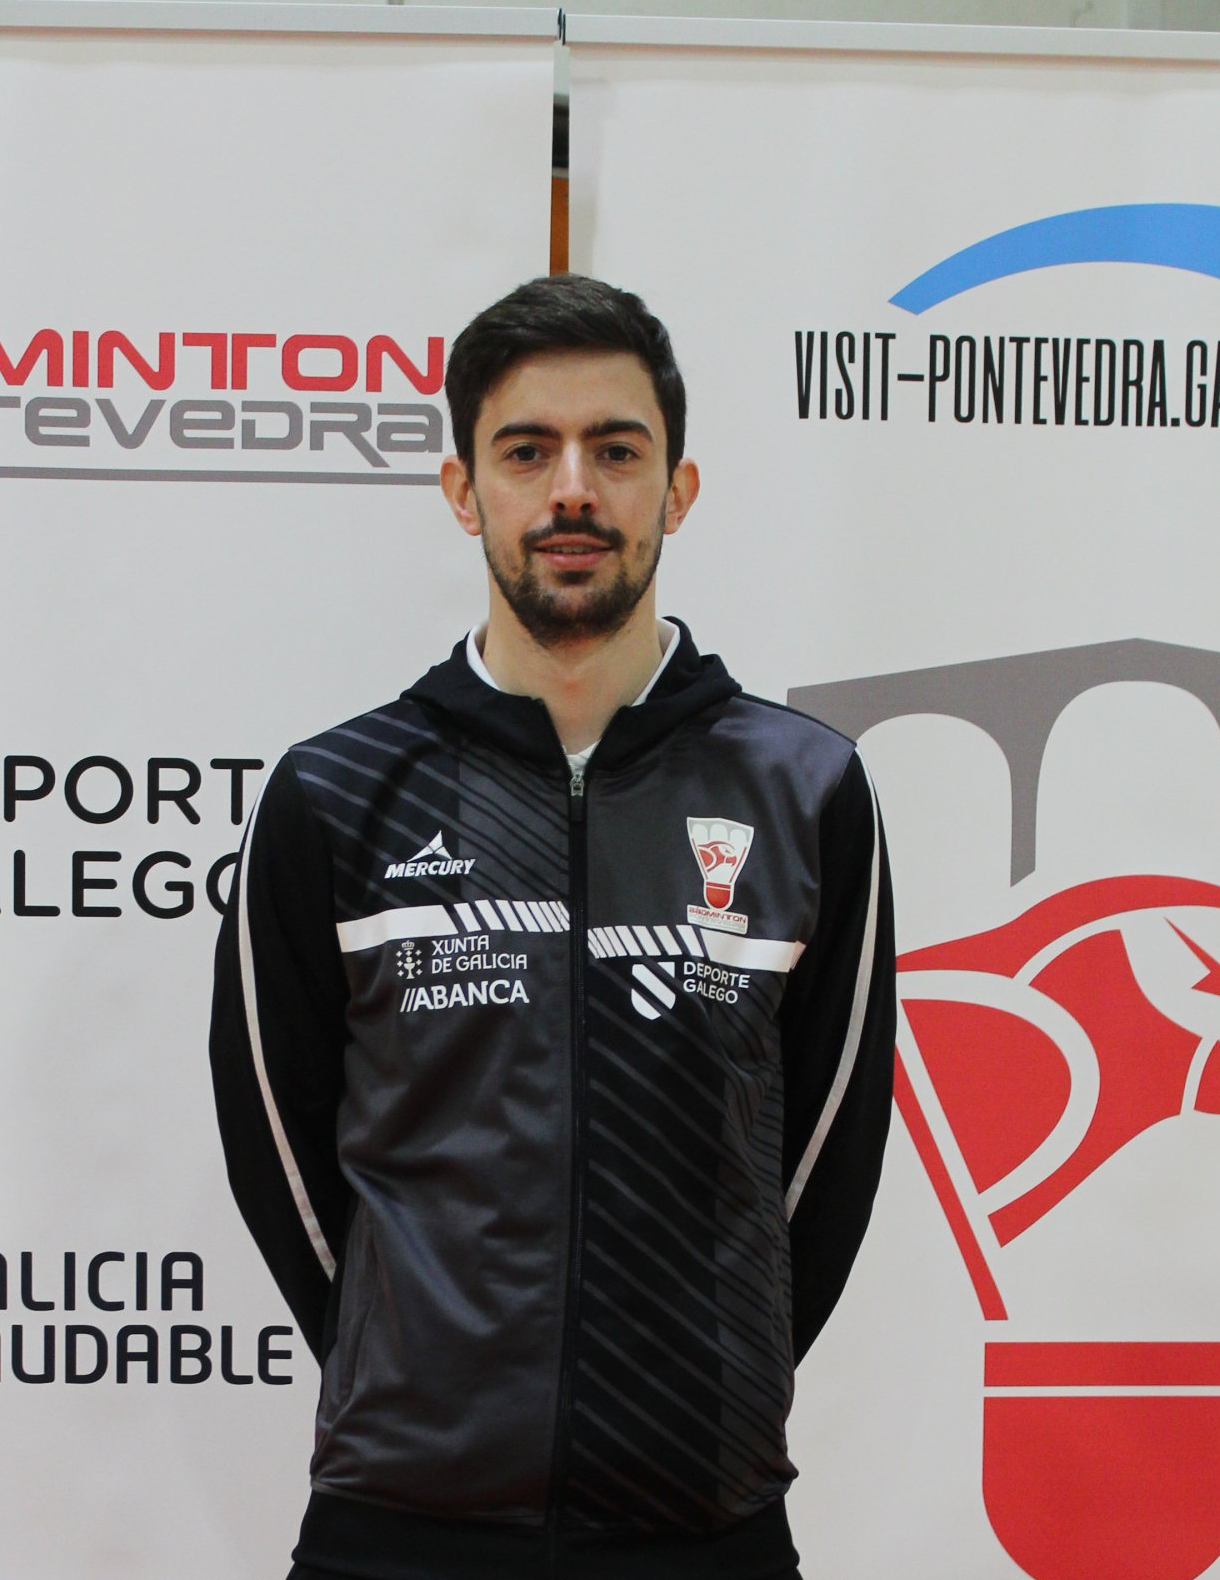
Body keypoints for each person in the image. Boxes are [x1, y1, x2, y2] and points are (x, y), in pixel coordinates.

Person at [209, 273, 896, 1580]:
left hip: (703, 1532)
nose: (572, 489)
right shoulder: (335, 796)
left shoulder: (805, 790)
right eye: (527, 452)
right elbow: (278, 1150)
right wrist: (414, 1371)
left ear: (677, 491)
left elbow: (826, 1157)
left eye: (615, 451)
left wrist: (693, 1389)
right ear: (464, 490)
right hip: (397, 1529)